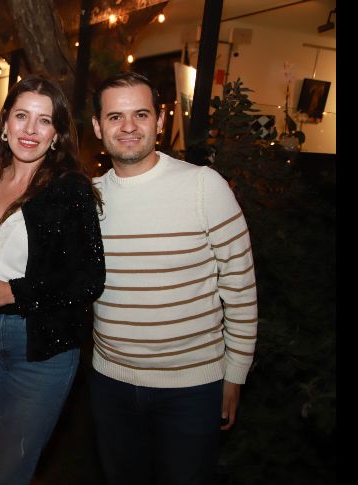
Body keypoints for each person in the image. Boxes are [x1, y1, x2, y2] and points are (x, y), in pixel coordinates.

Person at [88, 71, 258, 485]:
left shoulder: (203, 186)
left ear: (160, 121)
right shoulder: (86, 197)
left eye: (140, 114)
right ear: (97, 127)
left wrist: (236, 372)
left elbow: (240, 285)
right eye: (115, 117)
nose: (128, 127)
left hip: (192, 387)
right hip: (110, 382)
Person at [0, 74, 105, 484]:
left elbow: (88, 279)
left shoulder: (69, 190)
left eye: (44, 121)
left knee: (8, 470)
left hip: (40, 348)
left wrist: (14, 292)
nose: (30, 130)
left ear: (57, 134)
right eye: (21, 116)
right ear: (5, 124)